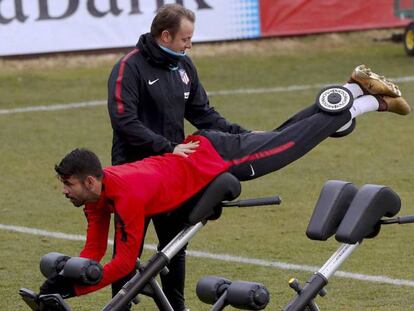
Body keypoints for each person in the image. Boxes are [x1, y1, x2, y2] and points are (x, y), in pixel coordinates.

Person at [39, 65, 410, 303]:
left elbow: (122, 263)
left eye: (68, 184)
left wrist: (73, 288)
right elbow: (92, 251)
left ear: (90, 180)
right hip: (206, 150)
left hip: (218, 158)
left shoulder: (127, 195)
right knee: (285, 134)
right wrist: (64, 275)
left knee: (294, 142)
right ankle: (356, 89)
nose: (65, 191)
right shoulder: (95, 197)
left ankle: (365, 101)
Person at [106, 4, 250, 310]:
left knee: (174, 247)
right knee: (126, 251)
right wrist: (167, 147)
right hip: (133, 175)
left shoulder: (184, 67)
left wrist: (245, 136)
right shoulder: (128, 68)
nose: (189, 45)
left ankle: (174, 307)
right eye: (185, 38)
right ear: (166, 35)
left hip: (171, 173)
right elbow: (124, 121)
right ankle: (119, 306)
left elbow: (203, 114)